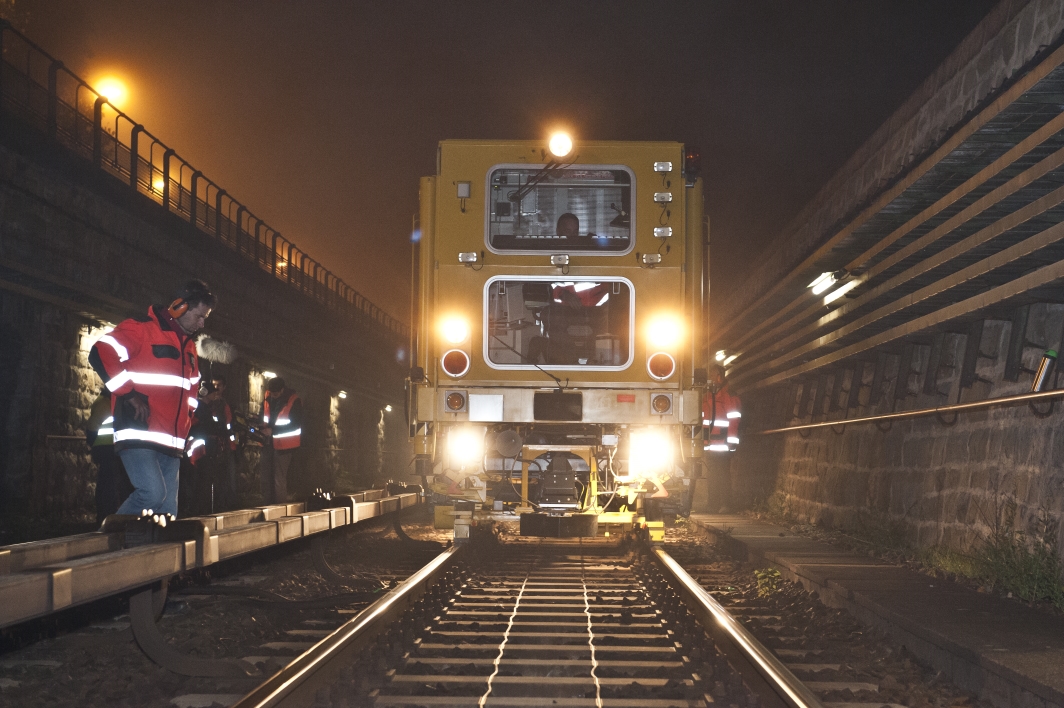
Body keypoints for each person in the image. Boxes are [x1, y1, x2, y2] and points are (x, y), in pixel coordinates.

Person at [88, 280, 215, 521]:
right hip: (139, 431)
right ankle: (109, 541)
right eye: (199, 316)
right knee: (152, 494)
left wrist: (187, 428)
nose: (202, 323)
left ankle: (143, 554)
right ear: (179, 307)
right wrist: (129, 393)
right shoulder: (140, 329)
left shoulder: (189, 348)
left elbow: (192, 391)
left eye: (205, 318)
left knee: (168, 512)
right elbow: (101, 352)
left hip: (173, 441)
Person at [85, 388, 133, 523]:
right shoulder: (104, 404)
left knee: (109, 483)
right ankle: (107, 515)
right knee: (109, 484)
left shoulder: (107, 403)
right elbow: (92, 429)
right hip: (108, 449)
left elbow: (91, 430)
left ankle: (109, 514)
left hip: (109, 448)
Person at [702, 365, 741, 512]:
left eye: (712, 375)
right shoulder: (708, 395)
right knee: (712, 476)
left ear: (720, 376)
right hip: (710, 444)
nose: (710, 379)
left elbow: (734, 419)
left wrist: (731, 441)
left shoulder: (729, 395)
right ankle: (712, 505)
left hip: (723, 443)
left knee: (723, 475)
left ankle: (726, 505)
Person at [258, 376, 302, 504]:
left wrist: (273, 431)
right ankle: (267, 506)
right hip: (267, 443)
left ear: (283, 390)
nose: (274, 395)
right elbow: (263, 416)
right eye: (272, 393)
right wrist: (260, 425)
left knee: (279, 479)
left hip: (284, 446)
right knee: (266, 477)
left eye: (276, 393)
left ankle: (279, 509)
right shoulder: (267, 397)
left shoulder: (294, 401)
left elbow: (295, 424)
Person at [211, 374, 239, 507]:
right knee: (218, 478)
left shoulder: (227, 404)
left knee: (230, 479)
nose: (216, 388)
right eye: (214, 385)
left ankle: (230, 505)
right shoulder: (210, 404)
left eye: (219, 385)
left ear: (224, 387)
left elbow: (230, 424)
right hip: (215, 446)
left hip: (228, 446)